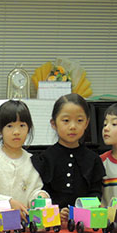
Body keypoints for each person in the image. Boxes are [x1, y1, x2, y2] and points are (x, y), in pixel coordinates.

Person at [32, 93, 105, 223]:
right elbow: (42, 193)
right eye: (66, 120)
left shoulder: (93, 159)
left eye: (79, 120)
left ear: (87, 123)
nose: (73, 126)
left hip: (84, 223)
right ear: (53, 123)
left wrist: (83, 210)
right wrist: (55, 211)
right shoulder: (45, 158)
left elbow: (95, 193)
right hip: (52, 223)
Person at [0, 100, 42, 217]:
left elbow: (34, 191)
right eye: (10, 126)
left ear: (29, 128)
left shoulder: (33, 161)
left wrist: (40, 196)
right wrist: (8, 203)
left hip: (25, 223)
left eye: (22, 126)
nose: (16, 132)